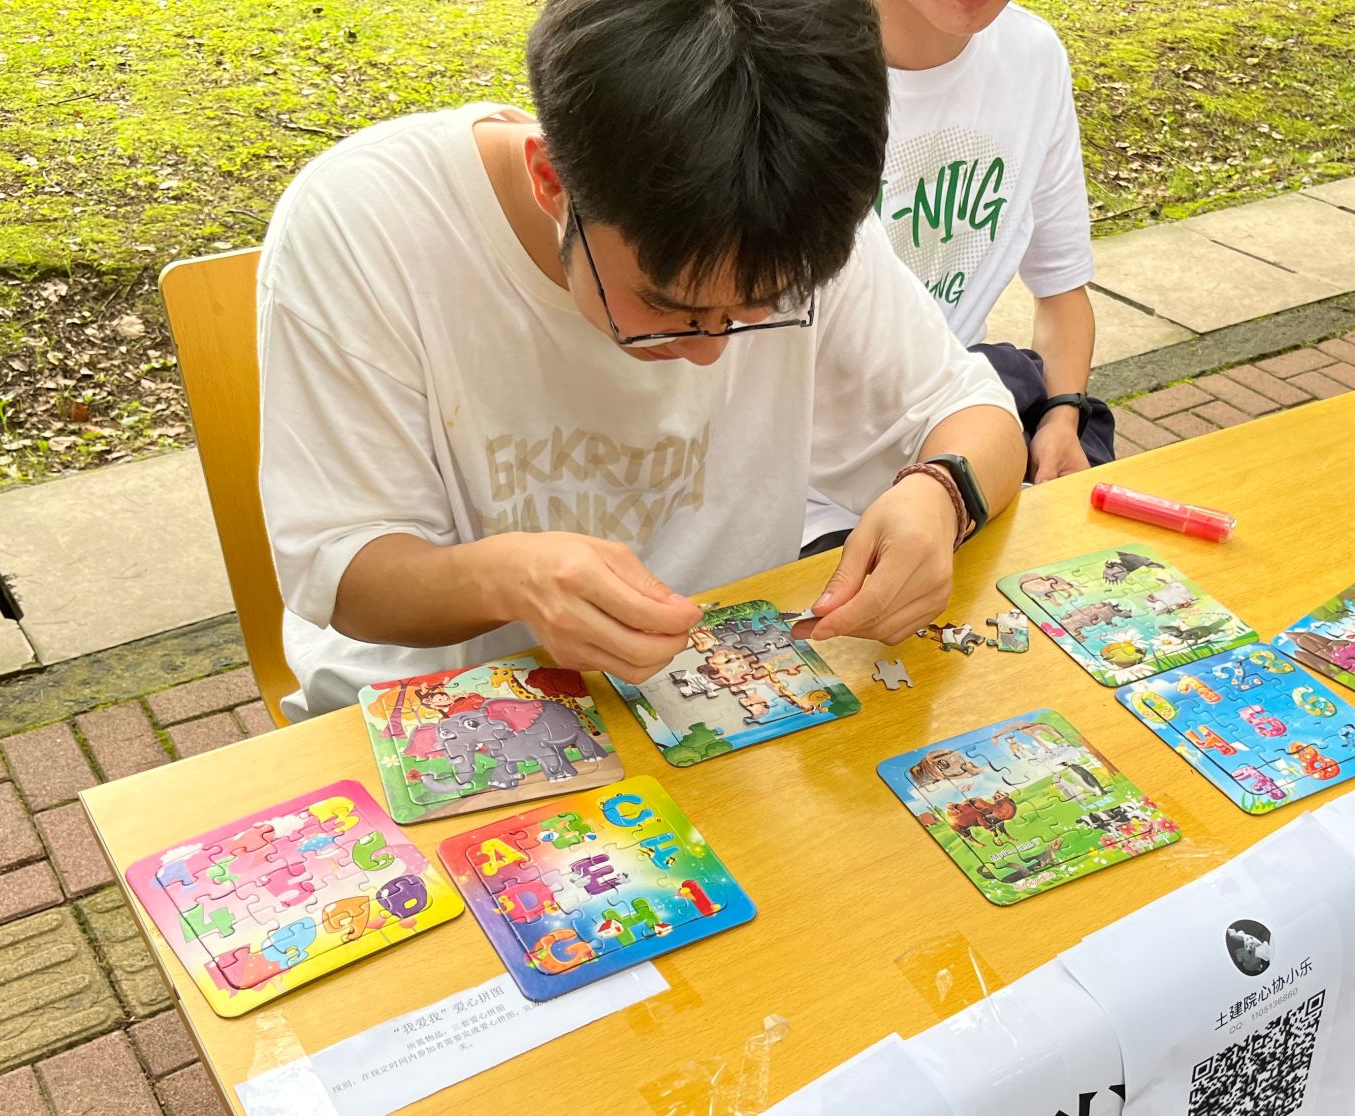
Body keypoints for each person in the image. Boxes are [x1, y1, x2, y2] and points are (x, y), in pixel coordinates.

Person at [256, 0, 1026, 720]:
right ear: (550, 181)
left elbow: (976, 415)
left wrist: (941, 495)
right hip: (432, 713)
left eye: (762, 305)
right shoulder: (364, 227)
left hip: (710, 693)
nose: (709, 352)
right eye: (667, 308)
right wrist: (511, 578)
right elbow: (342, 570)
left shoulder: (793, 195)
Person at [802, 0, 1113, 556]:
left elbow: (1062, 290)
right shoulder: (788, 64)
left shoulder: (1032, 58)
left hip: (966, 426)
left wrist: (1063, 415)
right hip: (811, 465)